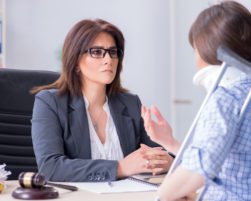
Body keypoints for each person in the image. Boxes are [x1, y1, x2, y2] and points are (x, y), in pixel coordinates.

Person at [142, 1, 251, 200]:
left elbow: (197, 172)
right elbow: (232, 160)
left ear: (207, 50)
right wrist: (171, 143)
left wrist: (161, 195)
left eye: (195, 50)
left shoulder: (227, 99)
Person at [31, 18, 173, 182]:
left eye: (113, 52)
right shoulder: (50, 103)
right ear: (75, 61)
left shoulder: (131, 103)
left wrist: (167, 161)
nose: (108, 60)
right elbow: (50, 167)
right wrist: (120, 168)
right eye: (97, 52)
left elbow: (155, 153)